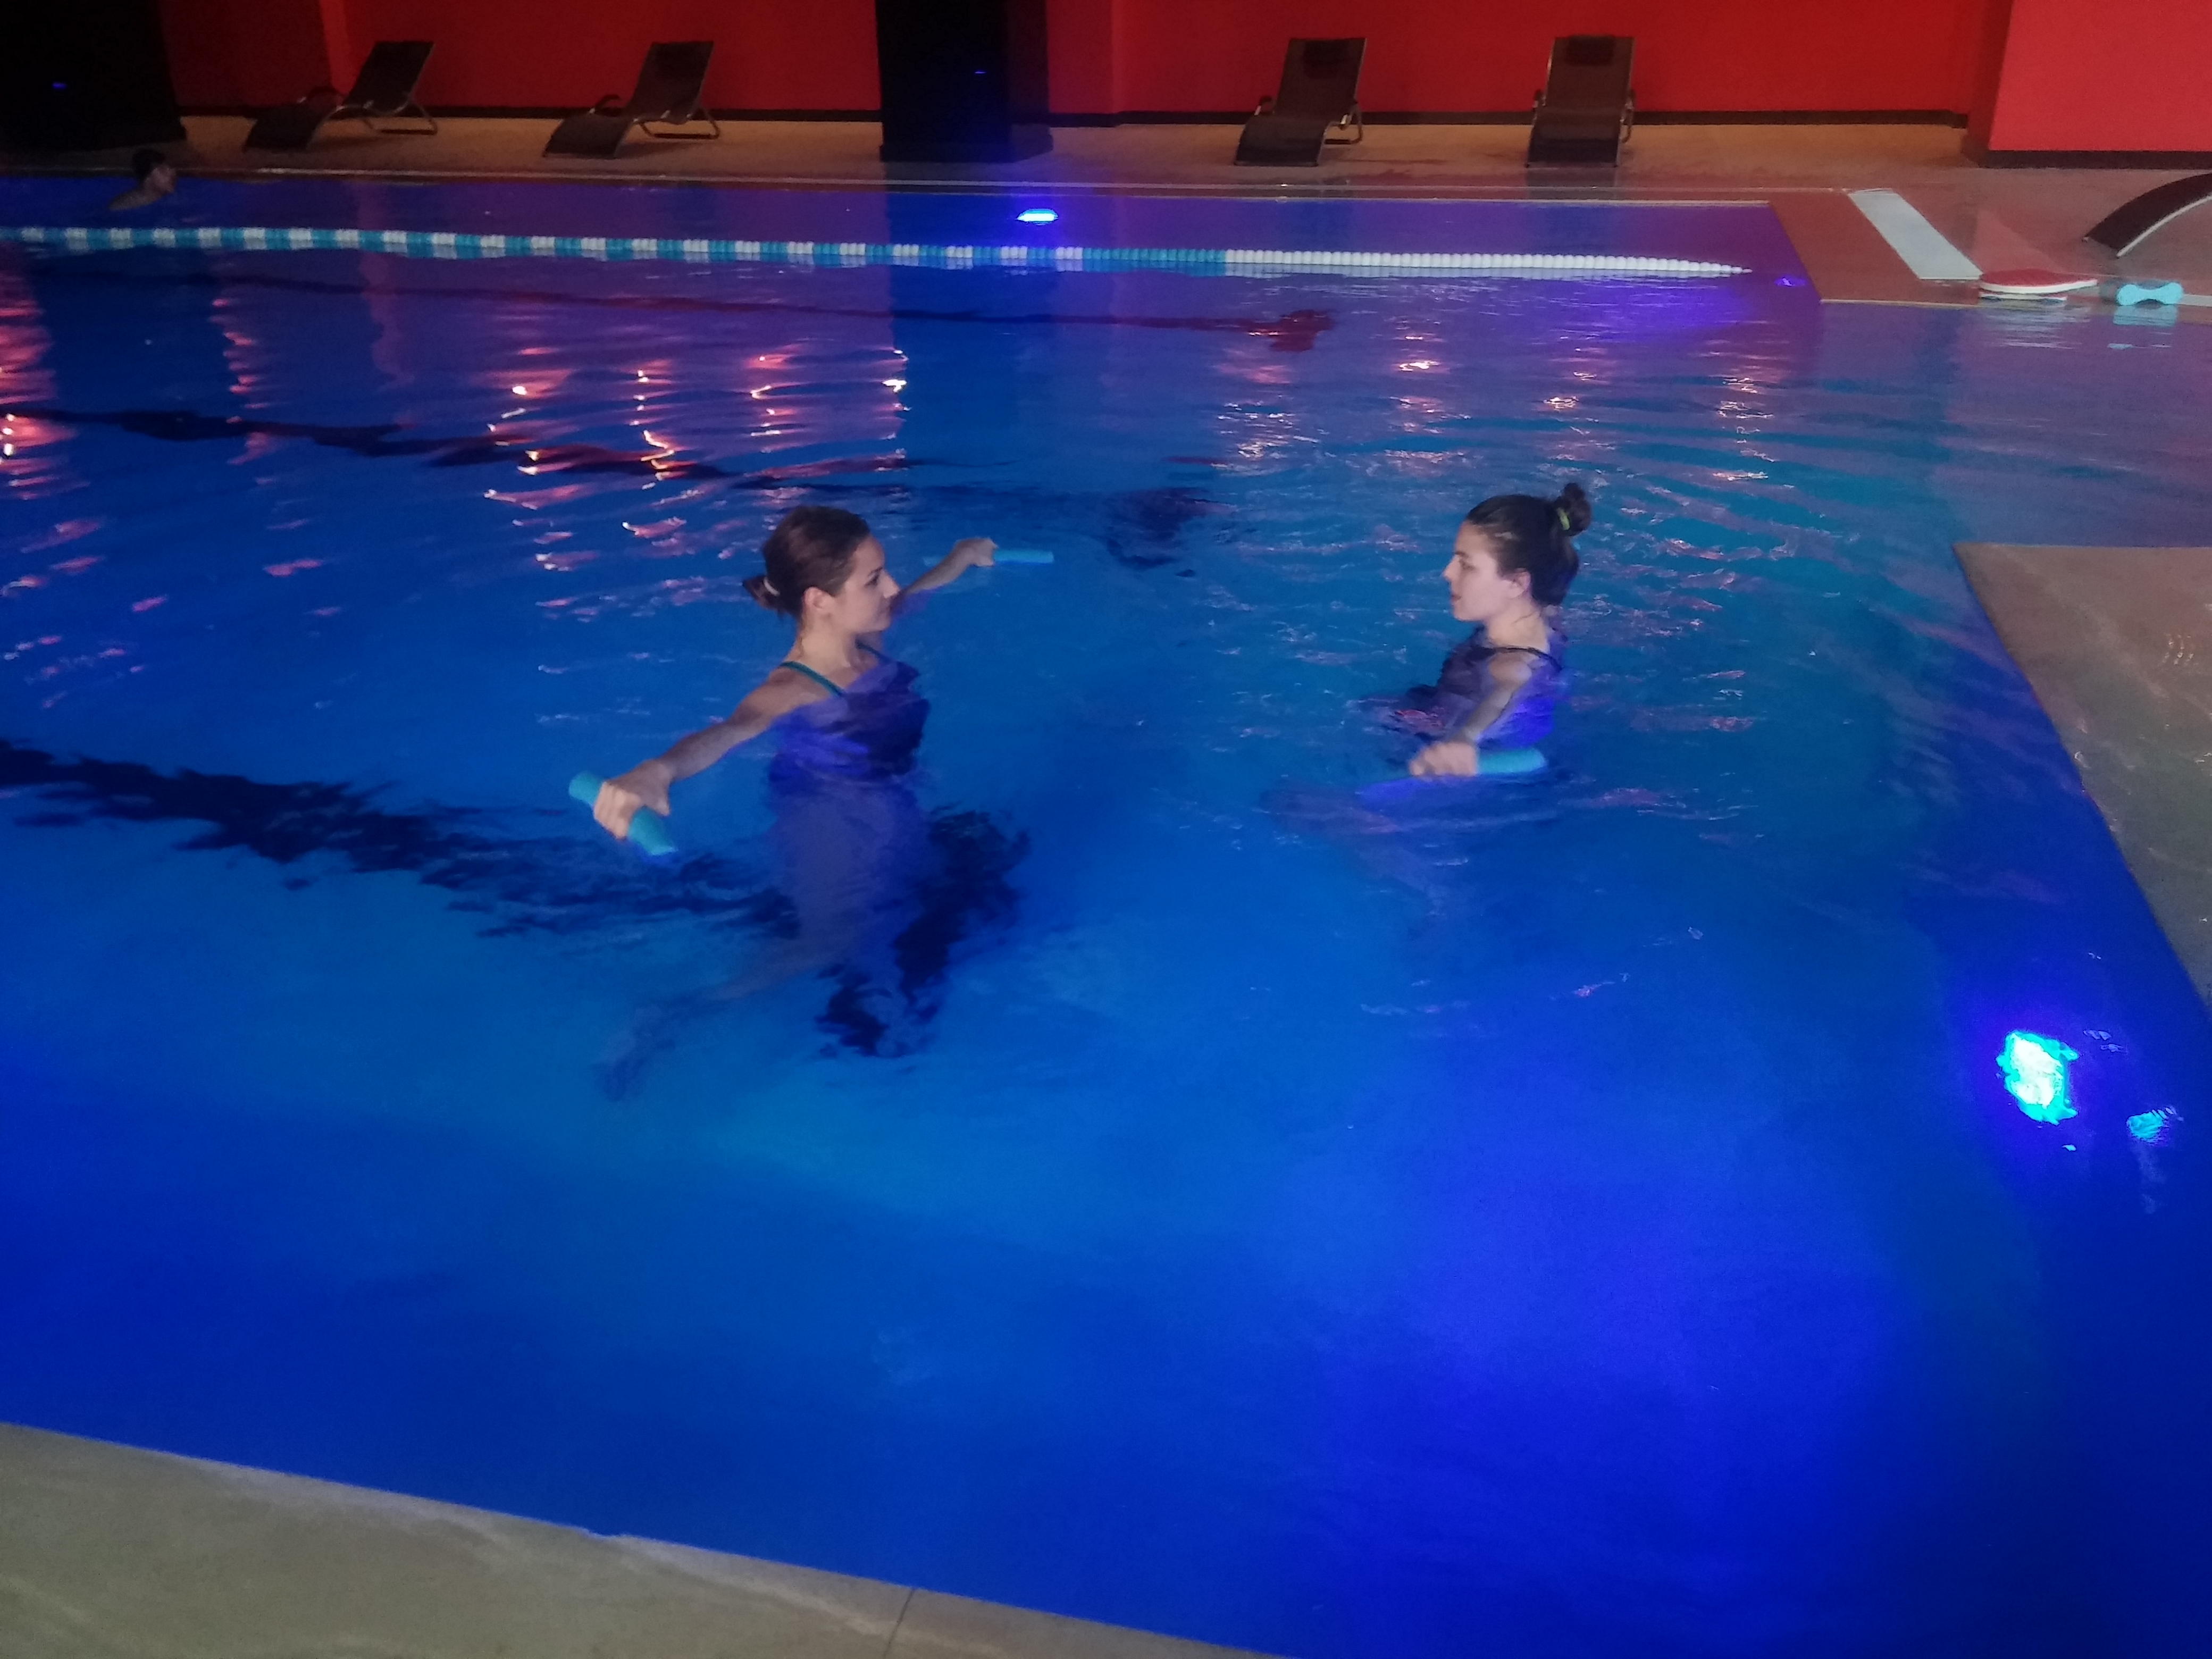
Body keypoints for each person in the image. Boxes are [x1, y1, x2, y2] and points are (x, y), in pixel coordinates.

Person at [589, 506, 998, 1087]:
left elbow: (916, 595)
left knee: (916, 897)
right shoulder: (794, 688)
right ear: (819, 600)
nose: (889, 588)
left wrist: (960, 557)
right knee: (829, 940)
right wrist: (658, 770)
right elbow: (734, 729)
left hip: (886, 801)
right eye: (873, 579)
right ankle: (673, 1011)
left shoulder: (868, 636)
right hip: (827, 809)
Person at [1393, 482, 1587, 778]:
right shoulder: (1544, 615)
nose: (1448, 573)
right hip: (1461, 721)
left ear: (1517, 583)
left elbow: (1509, 688)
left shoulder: (1513, 662)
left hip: (1484, 760)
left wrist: (1466, 738)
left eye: (1466, 565)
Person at [107, 149, 177, 212]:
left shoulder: (174, 200)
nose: (173, 173)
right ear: (147, 179)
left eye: (171, 168)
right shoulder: (122, 207)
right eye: (163, 171)